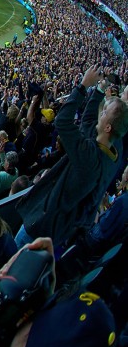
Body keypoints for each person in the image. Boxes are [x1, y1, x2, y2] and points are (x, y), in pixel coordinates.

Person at [16, 65, 128, 248]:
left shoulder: (89, 156)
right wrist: (99, 91)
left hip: (43, 225)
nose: (102, 112)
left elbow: (62, 121)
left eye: (105, 112)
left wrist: (83, 86)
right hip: (59, 228)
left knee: (15, 261)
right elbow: (88, 123)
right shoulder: (114, 150)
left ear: (108, 128)